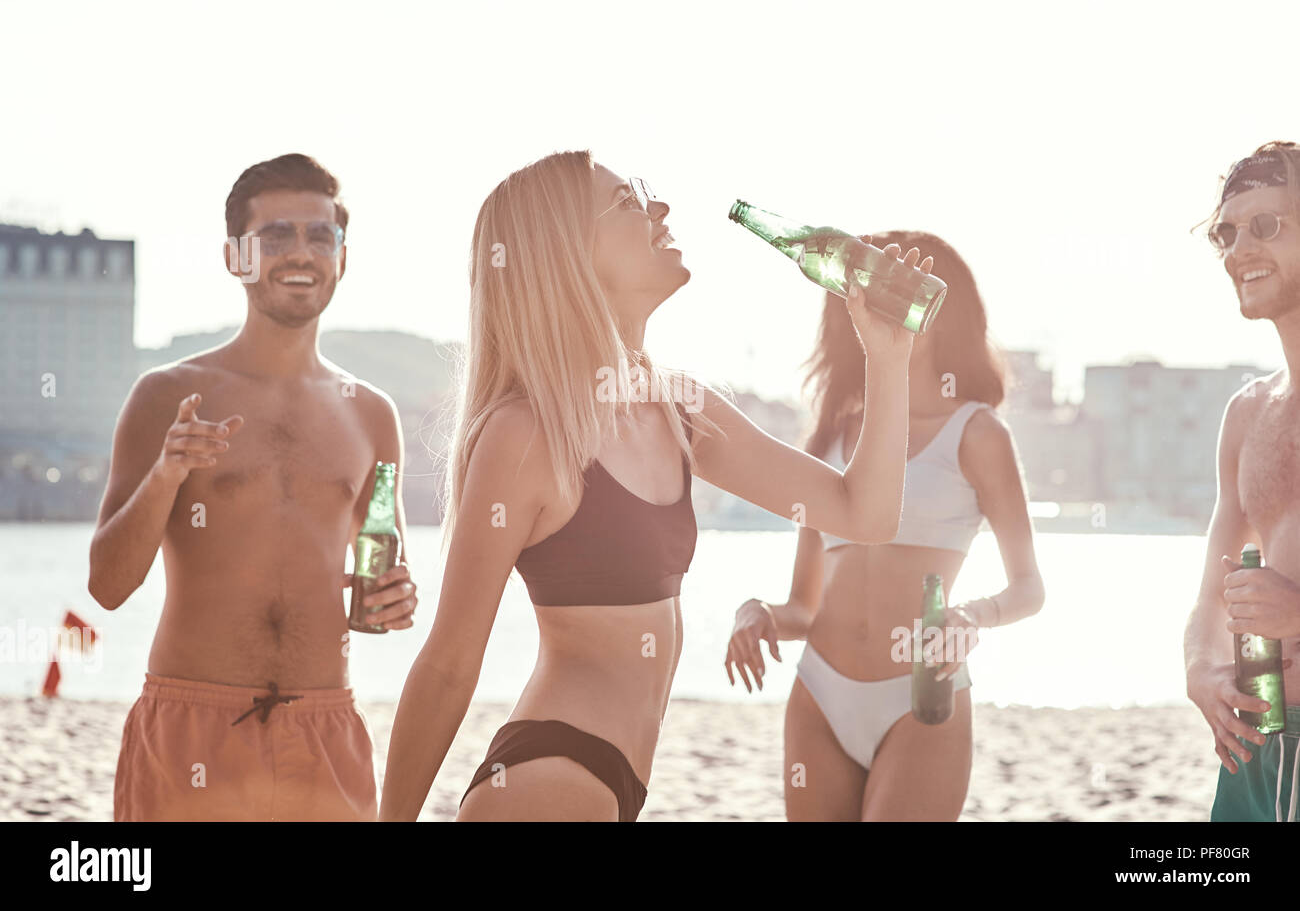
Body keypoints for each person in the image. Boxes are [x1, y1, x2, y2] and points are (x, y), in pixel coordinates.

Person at [378, 150, 930, 821]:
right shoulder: (527, 433)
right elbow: (447, 664)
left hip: (616, 784)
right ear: (567, 256)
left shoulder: (679, 407)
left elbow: (863, 513)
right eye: (626, 202)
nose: (658, 208)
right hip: (546, 779)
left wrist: (888, 358)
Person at [90, 153, 418, 821]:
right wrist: (168, 473)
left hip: (324, 733)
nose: (302, 252)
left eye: (321, 235)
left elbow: (379, 579)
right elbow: (107, 584)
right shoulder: (167, 396)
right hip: (194, 729)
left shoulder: (372, 414)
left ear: (342, 257)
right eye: (276, 235)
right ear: (236, 256)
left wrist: (393, 597)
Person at [725, 231, 1044, 821]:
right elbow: (803, 606)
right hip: (818, 694)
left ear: (944, 311)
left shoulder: (977, 434)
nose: (889, 307)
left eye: (906, 291)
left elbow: (1029, 588)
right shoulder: (831, 438)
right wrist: (758, 613)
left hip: (921, 697)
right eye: (874, 292)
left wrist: (971, 617)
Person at [1186, 141, 1300, 822]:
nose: (1238, 250)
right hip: (1254, 750)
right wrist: (1200, 668)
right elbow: (1209, 598)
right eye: (1227, 232)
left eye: (1268, 226)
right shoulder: (1248, 413)